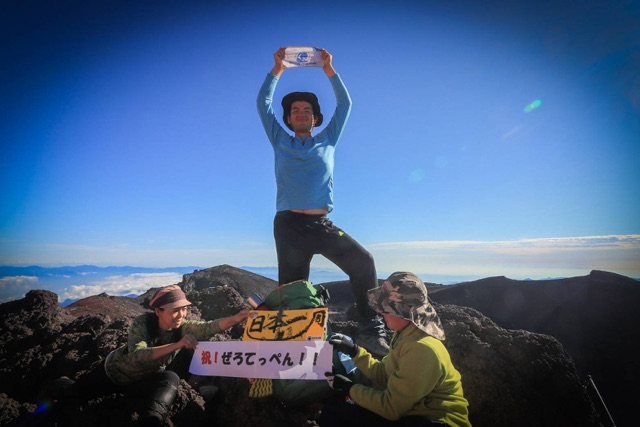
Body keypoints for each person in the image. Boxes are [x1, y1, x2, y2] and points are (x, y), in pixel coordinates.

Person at [256, 47, 388, 357]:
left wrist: (329, 69)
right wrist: (277, 69)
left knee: (363, 262)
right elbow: (263, 104)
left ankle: (371, 327)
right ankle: (298, 345)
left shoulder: (327, 139)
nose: (301, 113)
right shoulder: (280, 139)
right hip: (289, 226)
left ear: (316, 118)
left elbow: (346, 103)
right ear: (288, 118)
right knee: (293, 290)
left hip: (320, 223)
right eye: (295, 110)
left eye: (307, 110)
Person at [56, 285, 249, 426]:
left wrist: (237, 318)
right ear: (158, 311)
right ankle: (62, 386)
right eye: (175, 310)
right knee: (70, 398)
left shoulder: (182, 326)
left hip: (141, 382)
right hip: (113, 374)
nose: (181, 315)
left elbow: (209, 327)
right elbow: (138, 356)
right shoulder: (142, 324)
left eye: (184, 309)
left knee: (170, 377)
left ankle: (153, 420)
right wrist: (176, 345)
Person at [321, 272, 471, 427]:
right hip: (414, 414)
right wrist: (355, 352)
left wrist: (349, 388)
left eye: (387, 309)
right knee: (336, 411)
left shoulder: (421, 349)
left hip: (437, 421)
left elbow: (390, 408)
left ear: (406, 313)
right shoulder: (404, 334)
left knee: (338, 415)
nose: (380, 312)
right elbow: (385, 375)